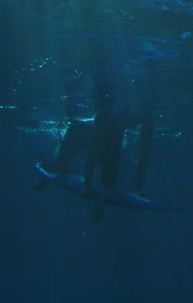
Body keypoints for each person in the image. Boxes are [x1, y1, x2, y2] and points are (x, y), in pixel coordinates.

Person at [36, 35, 157, 222]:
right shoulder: (105, 116)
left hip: (108, 133)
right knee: (61, 164)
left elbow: (144, 154)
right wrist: (86, 183)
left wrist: (138, 187)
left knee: (108, 179)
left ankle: (98, 206)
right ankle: (51, 170)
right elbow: (92, 151)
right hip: (83, 128)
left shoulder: (144, 117)